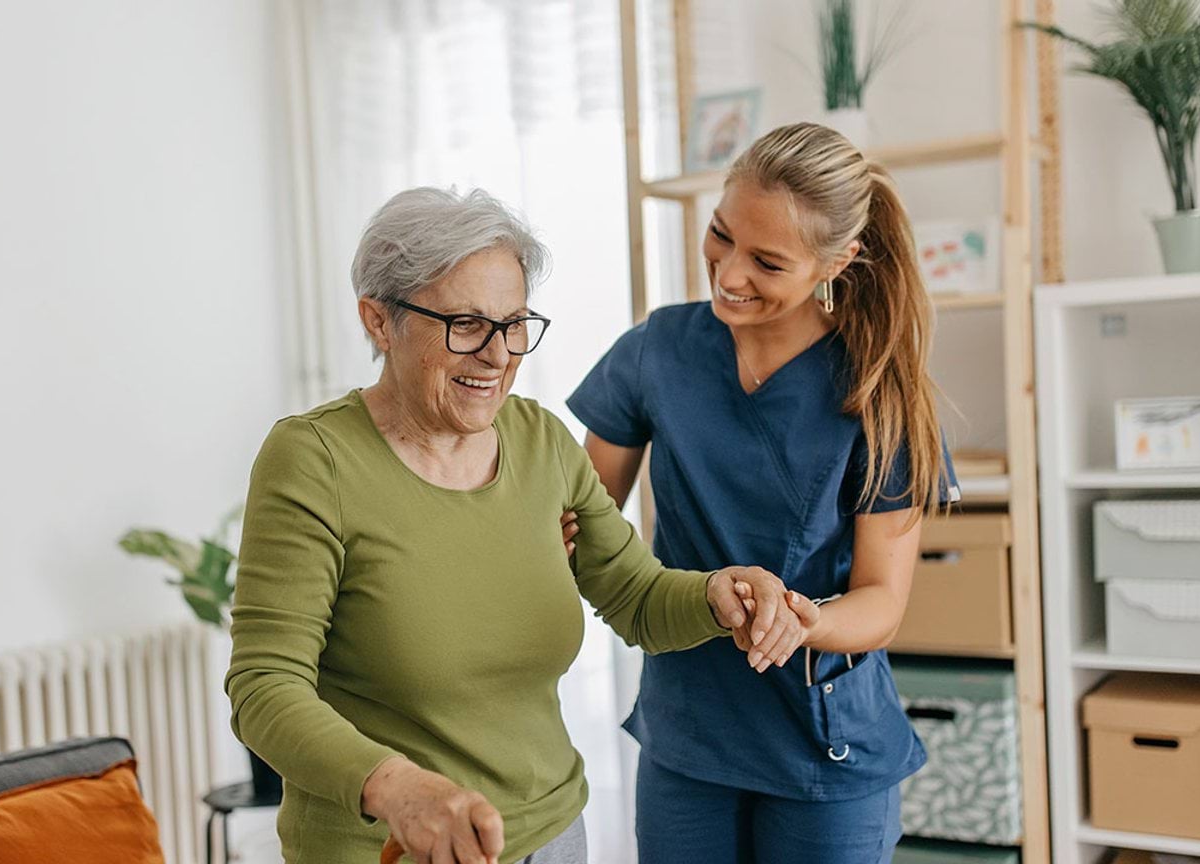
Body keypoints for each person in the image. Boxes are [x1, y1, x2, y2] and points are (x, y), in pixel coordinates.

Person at [225, 186, 818, 864]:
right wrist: (395, 790)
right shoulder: (314, 461)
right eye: (466, 325)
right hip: (389, 844)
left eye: (514, 325)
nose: (499, 355)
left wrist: (720, 594)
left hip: (552, 833)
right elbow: (265, 687)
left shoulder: (540, 441)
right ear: (379, 321)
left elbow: (636, 597)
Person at [564, 122, 960, 864]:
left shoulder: (878, 393)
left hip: (821, 747)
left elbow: (881, 600)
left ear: (836, 262)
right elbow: (581, 524)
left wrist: (803, 623)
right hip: (688, 736)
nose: (729, 273)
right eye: (721, 235)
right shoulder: (657, 354)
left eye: (768, 262)